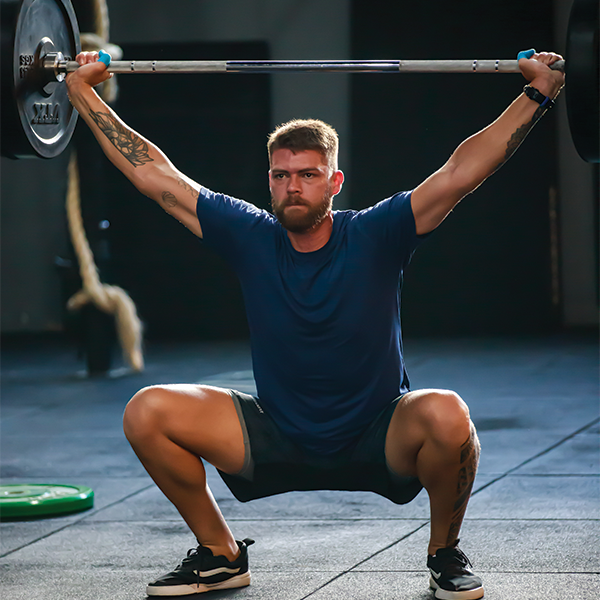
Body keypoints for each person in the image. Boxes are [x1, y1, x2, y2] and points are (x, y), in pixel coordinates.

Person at [66, 48, 564, 600]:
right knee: (148, 410)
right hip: (277, 433)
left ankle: (443, 553)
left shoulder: (378, 233)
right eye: (282, 176)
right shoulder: (249, 234)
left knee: (448, 412)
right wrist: (83, 93)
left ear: (335, 182)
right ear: (270, 180)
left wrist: (538, 92)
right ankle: (221, 555)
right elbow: (154, 175)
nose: (293, 186)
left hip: (379, 435)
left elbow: (461, 172)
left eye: (308, 175)